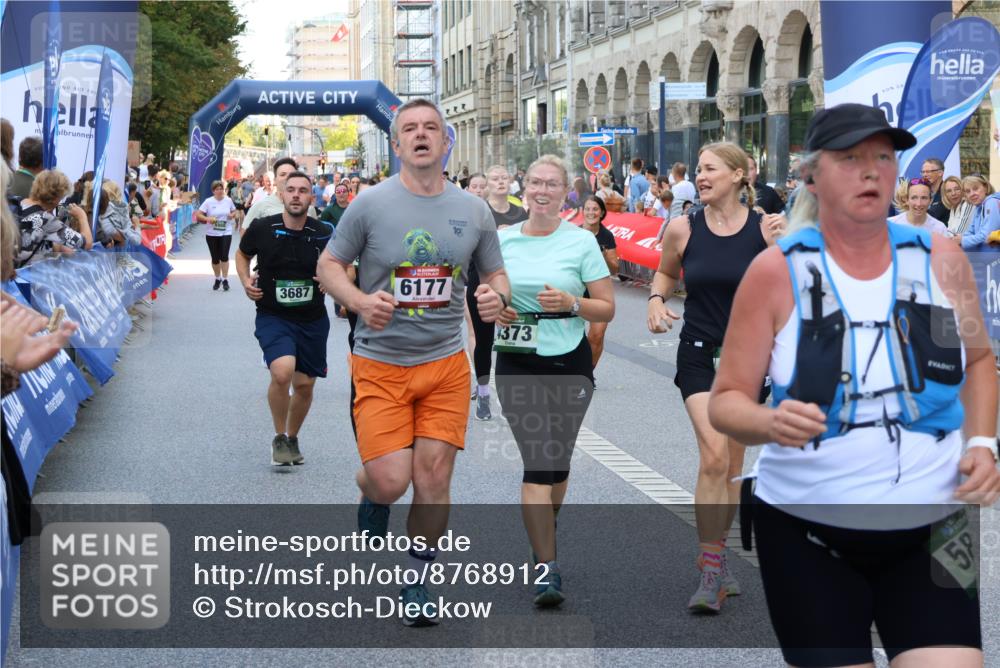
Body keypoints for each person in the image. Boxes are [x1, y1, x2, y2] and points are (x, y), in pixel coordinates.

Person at [708, 102, 997, 668]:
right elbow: (726, 402)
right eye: (850, 159)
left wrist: (983, 445)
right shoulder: (777, 273)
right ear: (812, 175)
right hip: (808, 530)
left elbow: (980, 362)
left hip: (935, 522)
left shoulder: (941, 257)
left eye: (883, 157)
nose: (870, 171)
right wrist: (769, 422)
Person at [317, 98, 509, 627]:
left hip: (445, 364)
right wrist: (358, 302)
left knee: (433, 479)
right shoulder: (370, 205)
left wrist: (495, 297)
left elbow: (495, 275)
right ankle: (369, 493)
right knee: (390, 481)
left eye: (431, 128)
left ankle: (418, 578)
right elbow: (329, 264)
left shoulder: (473, 210)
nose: (421, 135)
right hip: (379, 364)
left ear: (446, 143)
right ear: (397, 144)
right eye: (410, 129)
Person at [646, 141, 785, 613]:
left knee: (731, 467)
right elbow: (665, 275)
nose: (700, 176)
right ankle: (710, 572)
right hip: (699, 354)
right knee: (713, 456)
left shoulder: (766, 229)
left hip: (751, 360)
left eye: (710, 169)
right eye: (698, 169)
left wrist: (781, 250)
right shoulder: (682, 228)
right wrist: (655, 300)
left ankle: (719, 557)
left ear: (739, 174)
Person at [493, 155, 614, 608]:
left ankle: (545, 526)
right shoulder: (501, 239)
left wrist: (571, 302)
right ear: (525, 189)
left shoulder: (582, 242)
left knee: (558, 463)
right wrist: (496, 304)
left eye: (553, 185)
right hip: (517, 357)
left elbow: (606, 307)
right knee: (538, 463)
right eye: (536, 182)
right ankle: (547, 567)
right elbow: (482, 292)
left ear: (567, 194)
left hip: (569, 357)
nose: (543, 191)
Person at [236, 171, 332, 466]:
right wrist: (245, 282)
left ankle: (292, 438)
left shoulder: (323, 231)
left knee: (304, 385)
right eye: (290, 190)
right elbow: (241, 255)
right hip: (273, 313)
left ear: (311, 198)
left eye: (303, 191)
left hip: (312, 318)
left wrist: (333, 279)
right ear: (281, 194)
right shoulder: (264, 228)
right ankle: (279, 437)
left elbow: (344, 266)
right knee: (282, 371)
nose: (296, 195)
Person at [468, 165, 529, 419]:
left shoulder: (520, 212)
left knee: (512, 342)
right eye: (495, 178)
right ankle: (483, 392)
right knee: (484, 341)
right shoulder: (479, 212)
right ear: (487, 184)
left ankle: (509, 396)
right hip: (481, 281)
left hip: (513, 283)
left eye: (504, 177)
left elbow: (530, 245)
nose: (500, 182)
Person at [579, 195, 618, 387]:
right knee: (574, 336)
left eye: (595, 209)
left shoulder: (606, 236)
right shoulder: (574, 234)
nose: (591, 213)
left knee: (597, 335)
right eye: (588, 209)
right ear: (582, 211)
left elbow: (615, 269)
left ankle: (587, 374)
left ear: (602, 212)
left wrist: (604, 257)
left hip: (599, 292)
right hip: (576, 291)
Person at [15, 170, 92, 266]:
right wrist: (82, 217)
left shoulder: (17, 202)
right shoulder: (46, 220)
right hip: (25, 277)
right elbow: (87, 243)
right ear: (56, 198)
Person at [195, 180, 238, 290]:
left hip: (226, 231)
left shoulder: (228, 200)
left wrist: (231, 215)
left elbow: (235, 211)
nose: (219, 191)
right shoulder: (208, 202)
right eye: (217, 189)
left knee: (224, 256)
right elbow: (198, 215)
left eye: (221, 189)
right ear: (213, 191)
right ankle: (217, 278)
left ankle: (225, 279)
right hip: (212, 233)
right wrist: (208, 218)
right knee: (215, 258)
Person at [243, 158, 299, 231]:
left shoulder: (307, 208)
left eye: (291, 174)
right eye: (283, 174)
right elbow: (244, 233)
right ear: (275, 180)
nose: (287, 177)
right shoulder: (260, 205)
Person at [957, 174, 1000, 253]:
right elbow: (970, 231)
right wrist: (959, 239)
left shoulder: (991, 202)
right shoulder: (978, 207)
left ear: (986, 188)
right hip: (983, 258)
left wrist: (962, 240)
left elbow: (987, 235)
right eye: (968, 191)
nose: (972, 194)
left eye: (975, 189)